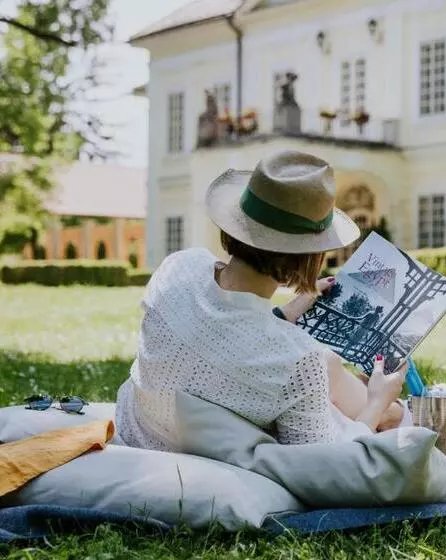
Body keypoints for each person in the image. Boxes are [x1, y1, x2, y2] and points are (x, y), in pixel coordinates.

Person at [115, 151, 408, 452]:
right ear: (310, 257)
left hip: (134, 432)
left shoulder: (178, 268)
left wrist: (284, 313)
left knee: (330, 366)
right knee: (336, 377)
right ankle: (396, 414)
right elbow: (325, 462)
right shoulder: (296, 360)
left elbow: (217, 334)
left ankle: (396, 414)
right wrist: (376, 403)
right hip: (192, 461)